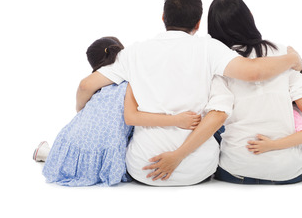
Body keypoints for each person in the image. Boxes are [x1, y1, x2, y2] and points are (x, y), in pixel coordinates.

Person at [76, 0, 302, 186]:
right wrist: (292, 59)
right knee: (220, 111)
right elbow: (253, 72)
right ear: (198, 23)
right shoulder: (209, 48)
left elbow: (87, 85)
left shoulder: (134, 52)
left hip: (143, 168)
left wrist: (79, 111)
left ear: (163, 17)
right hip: (197, 169)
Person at [33, 37, 202, 186]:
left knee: (73, 153)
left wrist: (80, 109)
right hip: (109, 152)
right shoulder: (133, 82)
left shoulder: (100, 89)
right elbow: (134, 119)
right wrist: (177, 120)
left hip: (70, 142)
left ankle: (48, 154)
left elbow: (84, 88)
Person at [207, 0, 302, 184]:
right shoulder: (281, 51)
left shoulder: (219, 64)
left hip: (235, 171)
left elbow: (217, 114)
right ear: (250, 16)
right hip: (290, 171)